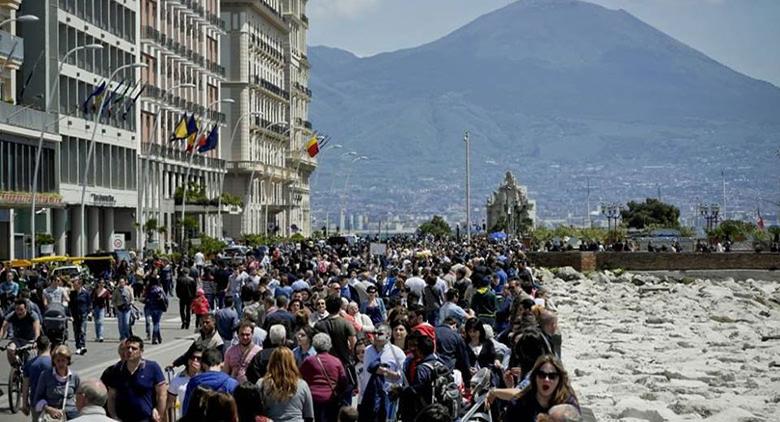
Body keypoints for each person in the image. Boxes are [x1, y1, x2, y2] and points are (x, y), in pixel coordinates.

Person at [487, 355, 580, 422]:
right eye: (541, 375)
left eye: (552, 376)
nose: (546, 380)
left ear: (559, 379)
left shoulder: (567, 402)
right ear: (534, 377)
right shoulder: (519, 403)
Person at [104, 335, 168, 421]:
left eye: (134, 348)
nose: (129, 351)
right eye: (127, 348)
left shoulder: (152, 367)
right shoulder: (116, 370)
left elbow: (162, 394)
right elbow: (111, 397)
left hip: (146, 419)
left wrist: (159, 412)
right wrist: (114, 417)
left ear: (141, 351)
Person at [358, 324, 405, 422]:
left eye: (379, 333)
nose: (375, 336)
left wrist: (385, 372)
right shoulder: (368, 350)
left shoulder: (397, 353)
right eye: (374, 333)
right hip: (369, 397)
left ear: (388, 335)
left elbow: (402, 377)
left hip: (388, 398)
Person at [313, 294, 357, 396]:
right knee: (346, 394)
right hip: (344, 363)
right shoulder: (346, 323)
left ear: (327, 307)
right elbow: (353, 343)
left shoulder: (319, 325)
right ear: (340, 307)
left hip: (324, 364)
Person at [300, 333, 348, 422]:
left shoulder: (309, 361)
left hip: (313, 398)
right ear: (329, 345)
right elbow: (343, 381)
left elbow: (301, 378)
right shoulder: (336, 361)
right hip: (331, 398)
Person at [258, 347, 315, 422]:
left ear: (271, 361)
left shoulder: (261, 384)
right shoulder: (302, 385)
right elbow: (309, 415)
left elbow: (257, 412)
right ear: (292, 362)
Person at [393, 331, 438, 421]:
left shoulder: (422, 368)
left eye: (415, 346)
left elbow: (416, 390)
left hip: (420, 409)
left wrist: (401, 391)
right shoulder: (437, 362)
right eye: (410, 345)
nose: (412, 349)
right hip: (432, 408)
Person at [181, 348, 239, 414]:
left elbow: (187, 410)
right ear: (222, 364)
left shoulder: (193, 383)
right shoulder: (231, 383)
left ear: (203, 364)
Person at [33, 345, 81, 420]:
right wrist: (49, 409)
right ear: (54, 361)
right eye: (58, 360)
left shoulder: (74, 376)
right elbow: (38, 398)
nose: (60, 364)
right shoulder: (45, 375)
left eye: (63, 360)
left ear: (68, 361)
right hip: (53, 416)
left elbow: (79, 396)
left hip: (72, 415)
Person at [168, 345, 204, 421]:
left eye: (199, 359)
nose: (195, 360)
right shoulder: (178, 378)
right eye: (192, 357)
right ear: (187, 360)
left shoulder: (207, 377)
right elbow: (170, 403)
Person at [1, 298, 40, 367]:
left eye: (21, 309)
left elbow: (37, 329)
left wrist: (36, 341)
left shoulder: (32, 315)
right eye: (17, 309)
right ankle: (15, 368)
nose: (19, 312)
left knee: (31, 360)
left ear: (26, 309)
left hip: (30, 340)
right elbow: (3, 328)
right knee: (10, 349)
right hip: (17, 339)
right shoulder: (12, 315)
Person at [21, 335, 52, 418]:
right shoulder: (54, 363)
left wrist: (24, 404)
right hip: (52, 402)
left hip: (36, 402)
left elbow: (25, 386)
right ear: (49, 345)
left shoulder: (29, 364)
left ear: (37, 347)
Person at [69, 278, 92, 355]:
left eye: (75, 285)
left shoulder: (85, 293)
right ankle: (78, 347)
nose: (74, 286)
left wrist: (90, 313)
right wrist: (70, 315)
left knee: (82, 330)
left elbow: (89, 303)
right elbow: (70, 305)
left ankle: (82, 345)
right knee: (76, 331)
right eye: (74, 285)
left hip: (83, 314)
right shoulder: (72, 294)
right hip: (75, 314)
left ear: (80, 285)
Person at [143, 278, 168, 344]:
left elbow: (145, 298)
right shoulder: (160, 289)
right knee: (156, 323)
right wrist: (166, 305)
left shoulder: (148, 289)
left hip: (151, 308)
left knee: (155, 323)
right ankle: (154, 337)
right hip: (159, 308)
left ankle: (159, 337)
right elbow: (165, 298)